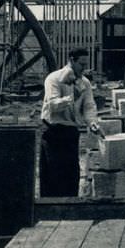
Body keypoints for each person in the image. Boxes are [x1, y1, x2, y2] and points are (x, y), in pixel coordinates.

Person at [40, 46, 102, 196]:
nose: (84, 68)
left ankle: (70, 205)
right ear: (71, 61)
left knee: (72, 172)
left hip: (71, 132)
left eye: (86, 65)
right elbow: (52, 105)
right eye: (81, 64)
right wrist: (71, 96)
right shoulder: (53, 79)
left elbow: (88, 106)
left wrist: (92, 122)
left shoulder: (84, 83)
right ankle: (51, 209)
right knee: (53, 173)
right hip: (53, 131)